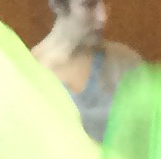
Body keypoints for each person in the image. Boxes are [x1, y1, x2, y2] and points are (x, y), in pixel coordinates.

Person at [32, 0, 143, 141]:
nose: (103, 17)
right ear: (59, 5)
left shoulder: (127, 63)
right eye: (89, 5)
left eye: (106, 2)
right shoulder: (28, 73)